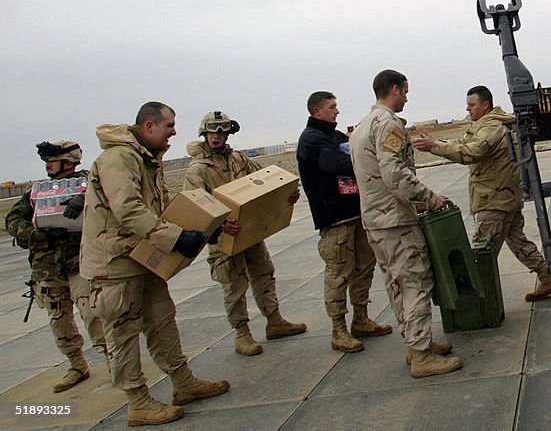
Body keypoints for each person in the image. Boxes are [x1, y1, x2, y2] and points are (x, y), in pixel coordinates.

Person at [80, 102, 229, 426]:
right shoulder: (119, 159)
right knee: (122, 332)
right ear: (149, 127)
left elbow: (158, 209)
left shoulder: (145, 161)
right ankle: (138, 402)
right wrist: (176, 238)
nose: (174, 131)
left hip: (142, 257)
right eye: (169, 125)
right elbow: (129, 210)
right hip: (115, 265)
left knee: (162, 319)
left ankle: (183, 381)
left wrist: (200, 228)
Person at [350, 70, 462, 378]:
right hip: (395, 219)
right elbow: (395, 175)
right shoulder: (388, 124)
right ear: (395, 89)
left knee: (397, 285)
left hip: (375, 221)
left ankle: (415, 345)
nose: (408, 97)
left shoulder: (361, 127)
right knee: (415, 282)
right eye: (406, 91)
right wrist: (429, 197)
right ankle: (423, 356)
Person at [183, 111, 307, 357]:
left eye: (221, 132)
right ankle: (242, 333)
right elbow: (194, 209)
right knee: (234, 285)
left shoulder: (238, 159)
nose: (216, 137)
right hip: (224, 238)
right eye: (211, 132)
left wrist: (286, 194)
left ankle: (274, 320)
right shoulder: (197, 171)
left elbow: (265, 181)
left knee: (264, 272)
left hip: (248, 232)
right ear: (204, 134)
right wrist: (219, 228)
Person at [412, 85, 551, 302]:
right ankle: (548, 279)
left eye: (472, 105)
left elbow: (471, 152)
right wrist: (436, 143)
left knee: (480, 255)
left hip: (494, 202)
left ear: (485, 105)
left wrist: (433, 147)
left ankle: (478, 302)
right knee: (519, 243)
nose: (468, 109)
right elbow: (462, 143)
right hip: (503, 198)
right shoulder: (486, 125)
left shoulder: (491, 128)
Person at [5, 140, 107, 393]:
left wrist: (82, 199)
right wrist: (33, 234)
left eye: (53, 160)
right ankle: (76, 365)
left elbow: (107, 197)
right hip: (48, 267)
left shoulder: (89, 182)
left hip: (81, 262)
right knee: (58, 320)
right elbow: (13, 219)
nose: (48, 165)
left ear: (70, 160)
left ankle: (116, 362)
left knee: (94, 314)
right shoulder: (37, 191)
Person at [296, 91, 392, 354]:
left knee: (363, 267)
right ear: (317, 111)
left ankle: (361, 318)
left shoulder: (334, 136)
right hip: (334, 220)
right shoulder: (311, 140)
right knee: (338, 274)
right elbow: (338, 163)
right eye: (332, 107)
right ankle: (338, 330)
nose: (337, 111)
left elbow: (356, 150)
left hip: (356, 214)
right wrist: (366, 158)